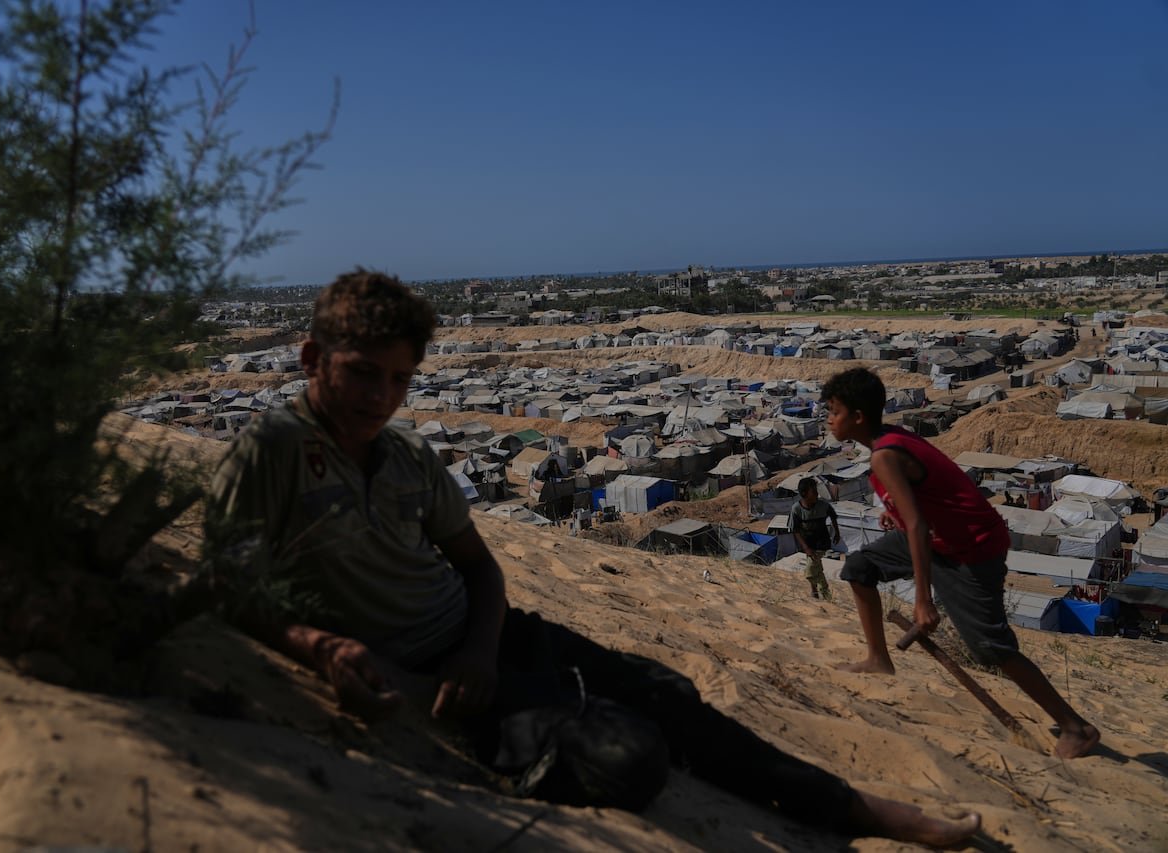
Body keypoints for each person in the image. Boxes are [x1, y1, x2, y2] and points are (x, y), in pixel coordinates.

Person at [206, 270, 981, 845]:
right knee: (630, 756)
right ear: (311, 357)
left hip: (487, 638)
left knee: (671, 692)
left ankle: (855, 807)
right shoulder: (273, 450)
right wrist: (317, 644)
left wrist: (479, 645)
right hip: (426, 674)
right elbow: (224, 581)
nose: (382, 396)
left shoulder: (405, 453)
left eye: (400, 379)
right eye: (362, 373)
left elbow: (479, 567)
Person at [820, 367, 1100, 760]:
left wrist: (922, 601)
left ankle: (1076, 727)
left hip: (968, 548)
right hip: (940, 537)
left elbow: (918, 527)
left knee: (990, 647)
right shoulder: (891, 440)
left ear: (858, 417)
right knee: (859, 568)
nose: (829, 419)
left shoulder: (886, 454)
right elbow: (924, 500)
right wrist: (894, 512)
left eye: (834, 411)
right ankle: (878, 660)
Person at [790, 477, 840, 600]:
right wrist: (805, 547)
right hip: (808, 543)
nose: (817, 494)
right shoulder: (796, 509)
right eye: (813, 491)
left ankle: (819, 591)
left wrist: (837, 533)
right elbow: (795, 530)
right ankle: (822, 593)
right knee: (815, 567)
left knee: (810, 569)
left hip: (821, 542)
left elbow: (833, 516)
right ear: (804, 494)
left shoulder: (823, 505)